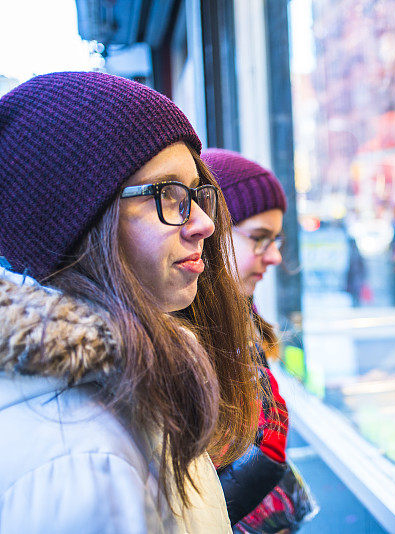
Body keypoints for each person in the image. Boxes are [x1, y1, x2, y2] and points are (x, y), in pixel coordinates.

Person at [0, 71, 264, 532]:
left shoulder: (134, 386)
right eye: (167, 194)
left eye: (198, 194)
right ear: (74, 224)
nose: (203, 222)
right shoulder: (83, 454)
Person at [200, 149, 291, 526]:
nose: (274, 257)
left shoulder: (242, 321)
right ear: (211, 231)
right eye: (259, 238)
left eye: (275, 240)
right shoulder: (189, 345)